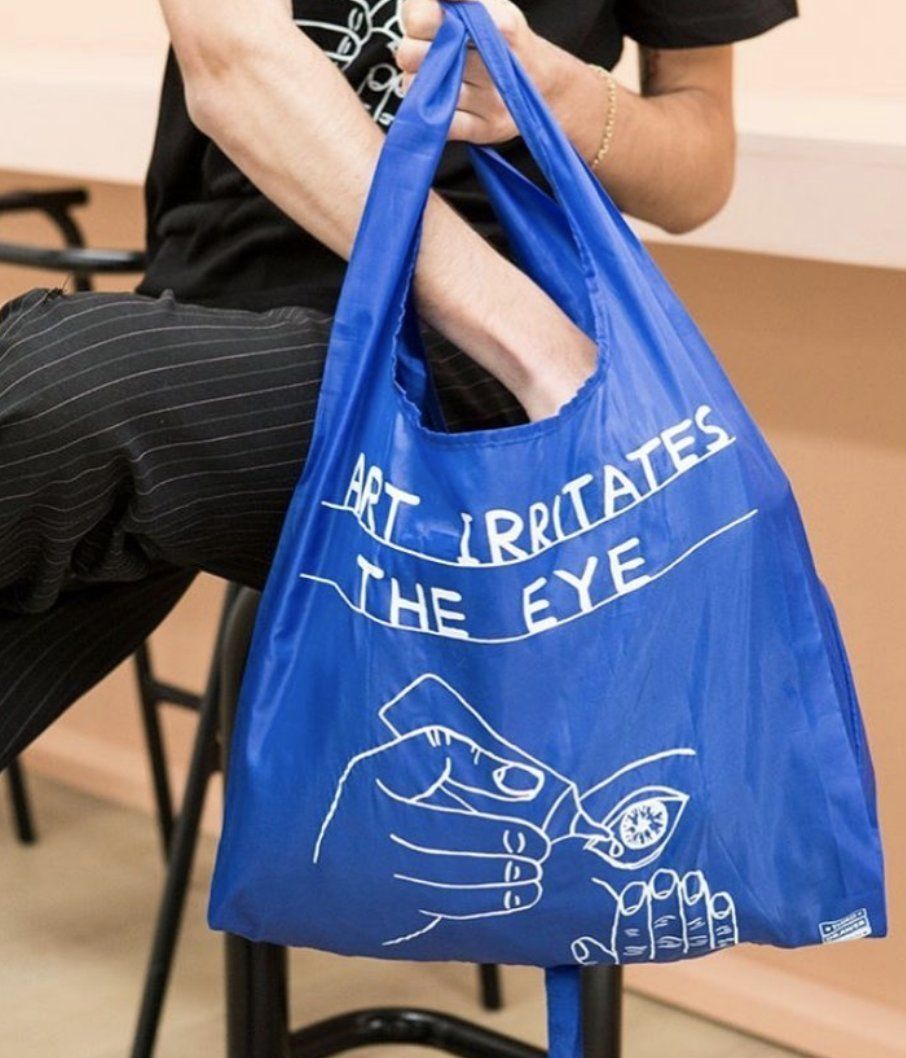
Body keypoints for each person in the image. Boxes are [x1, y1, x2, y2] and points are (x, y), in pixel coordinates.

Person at [0, 0, 796, 769]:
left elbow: (700, 168)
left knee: (57, 386)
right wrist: (538, 345)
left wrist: (562, 96)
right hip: (224, 323)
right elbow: (232, 63)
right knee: (59, 422)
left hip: (468, 370)